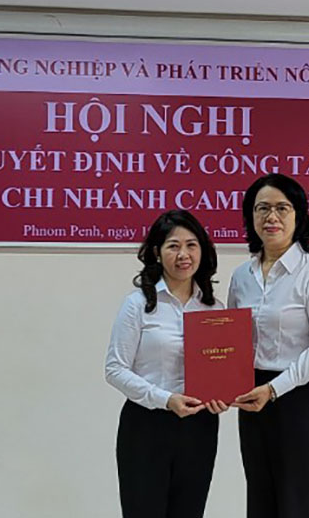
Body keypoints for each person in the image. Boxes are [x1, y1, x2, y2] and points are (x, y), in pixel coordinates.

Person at [228, 173, 309, 518]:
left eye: (282, 208)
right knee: (260, 499)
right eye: (262, 208)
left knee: (298, 504)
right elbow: (233, 341)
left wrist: (274, 389)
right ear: (251, 216)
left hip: (299, 399)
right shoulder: (241, 276)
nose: (272, 217)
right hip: (253, 399)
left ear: (299, 216)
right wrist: (222, 383)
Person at [105, 209, 229, 518]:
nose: (183, 254)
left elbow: (222, 369)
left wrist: (223, 396)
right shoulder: (138, 304)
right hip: (147, 425)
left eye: (191, 245)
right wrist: (165, 399)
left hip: (199, 427)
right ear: (157, 253)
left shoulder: (215, 310)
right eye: (173, 246)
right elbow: (115, 369)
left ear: (203, 250)